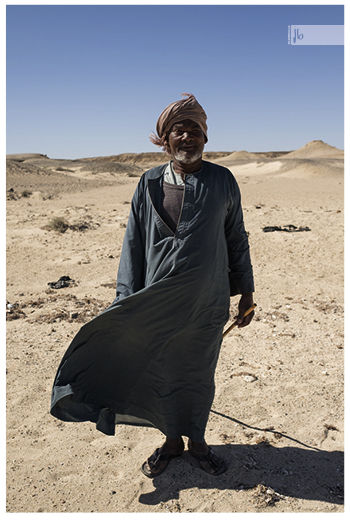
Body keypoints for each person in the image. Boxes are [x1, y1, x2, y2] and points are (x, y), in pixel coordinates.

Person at [50, 93, 255, 478]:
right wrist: (124, 301)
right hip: (155, 300)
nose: (188, 137)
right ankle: (171, 442)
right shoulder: (148, 183)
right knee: (159, 371)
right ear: (166, 139)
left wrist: (246, 292)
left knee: (197, 374)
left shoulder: (223, 181)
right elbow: (134, 244)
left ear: (205, 137)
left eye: (195, 129)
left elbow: (236, 238)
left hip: (206, 302)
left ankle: (197, 442)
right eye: (180, 130)